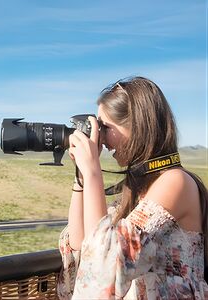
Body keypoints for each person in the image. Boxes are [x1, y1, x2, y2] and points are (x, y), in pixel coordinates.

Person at [57, 76, 208, 299]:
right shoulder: (139, 187)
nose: (102, 139)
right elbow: (82, 245)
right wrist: (81, 175)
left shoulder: (175, 182)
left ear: (138, 126)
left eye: (105, 127)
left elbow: (103, 268)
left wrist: (93, 172)